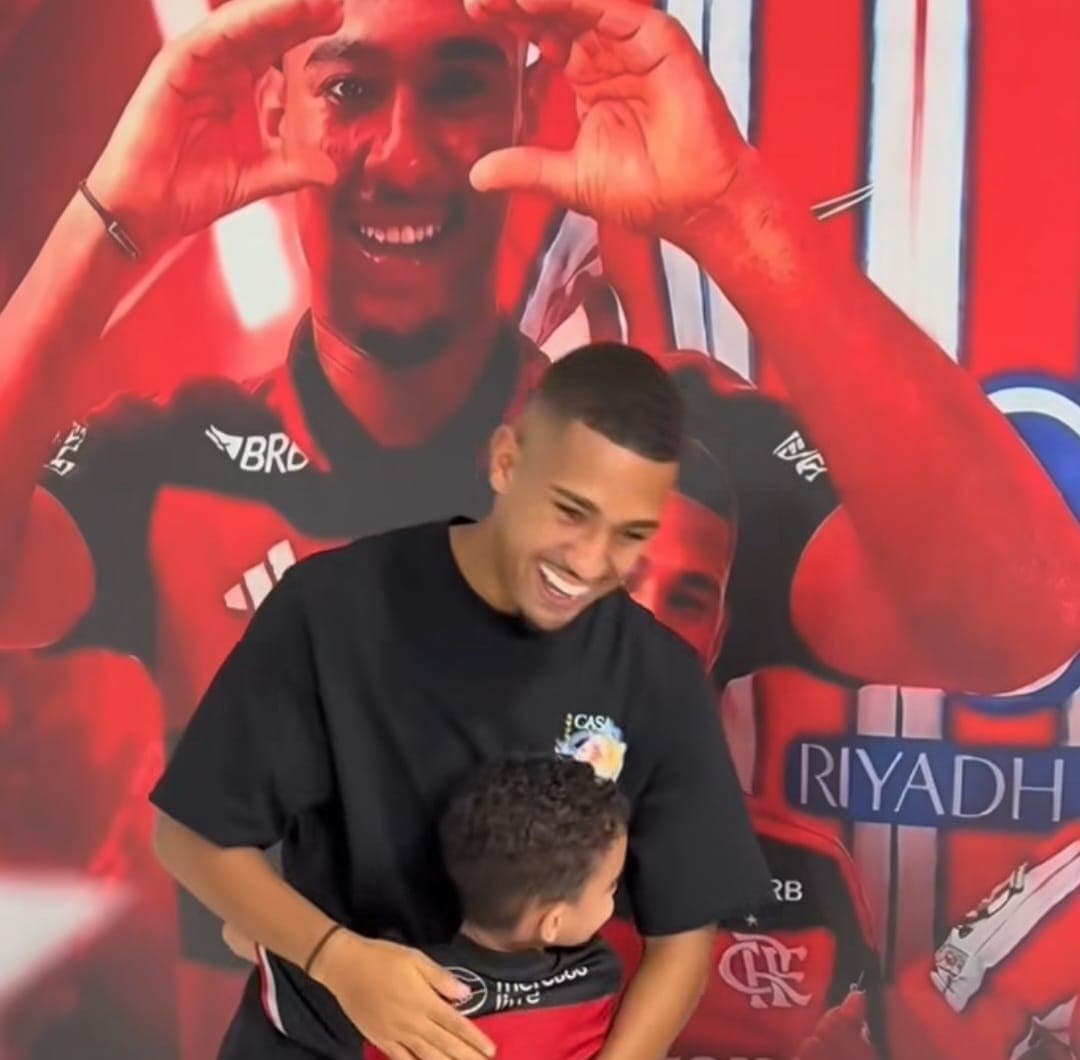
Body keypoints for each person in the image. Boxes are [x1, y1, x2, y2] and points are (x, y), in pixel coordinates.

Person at [1, 0, 1078, 1053]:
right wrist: (110, 218)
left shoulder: (669, 448)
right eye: (350, 89)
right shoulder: (195, 480)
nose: (404, 154)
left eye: (458, 85)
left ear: (525, 103)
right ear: (274, 109)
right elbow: (195, 836)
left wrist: (732, 210)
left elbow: (1022, 623)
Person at [150, 342, 772, 1060]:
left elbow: (683, 939)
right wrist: (338, 961)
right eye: (570, 512)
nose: (590, 561)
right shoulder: (333, 608)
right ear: (506, 462)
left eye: (630, 535)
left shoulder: (658, 675)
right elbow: (191, 836)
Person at [622, 456, 886, 1059]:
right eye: (623, 584)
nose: (651, 622)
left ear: (719, 630)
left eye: (688, 600)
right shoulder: (449, 826)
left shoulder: (808, 871)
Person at [227, 755, 628, 1060]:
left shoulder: (391, 987)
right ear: (553, 922)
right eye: (611, 887)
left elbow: (238, 934)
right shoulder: (597, 976)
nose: (615, 898)